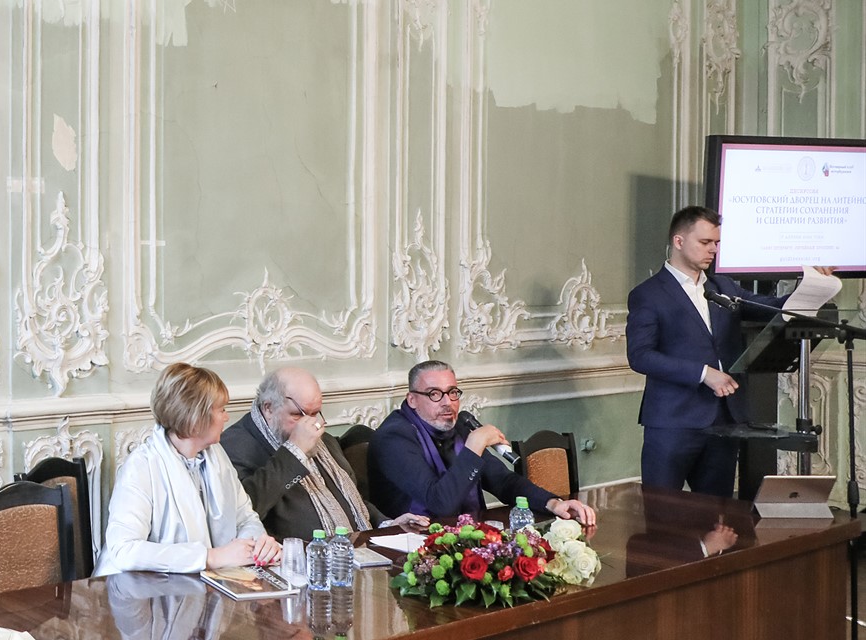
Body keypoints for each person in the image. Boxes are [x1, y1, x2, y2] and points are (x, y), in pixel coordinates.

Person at [625, 205, 789, 496]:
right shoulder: (648, 294)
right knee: (662, 511)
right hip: (672, 422)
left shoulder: (724, 286)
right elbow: (640, 356)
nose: (713, 249)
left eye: (716, 243)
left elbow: (770, 308)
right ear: (678, 241)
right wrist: (703, 373)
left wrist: (814, 288)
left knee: (717, 510)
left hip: (724, 420)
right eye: (705, 242)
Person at [96, 362, 280, 576]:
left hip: (200, 583)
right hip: (141, 589)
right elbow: (124, 550)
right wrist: (210, 557)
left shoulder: (216, 455)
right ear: (195, 419)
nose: (226, 417)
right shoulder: (141, 467)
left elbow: (246, 518)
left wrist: (256, 545)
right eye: (221, 410)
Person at [367, 360, 596, 526]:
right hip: (409, 548)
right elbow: (440, 504)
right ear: (412, 400)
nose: (447, 403)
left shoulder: (456, 427)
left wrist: (553, 503)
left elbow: (503, 482)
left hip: (461, 537)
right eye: (434, 394)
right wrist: (474, 446)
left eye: (452, 392)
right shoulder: (394, 438)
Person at [221, 366, 430, 540]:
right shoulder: (235, 446)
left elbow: (351, 500)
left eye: (315, 413)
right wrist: (294, 452)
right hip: (299, 562)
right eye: (298, 415)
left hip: (355, 551)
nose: (311, 424)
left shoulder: (323, 440)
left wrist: (388, 525)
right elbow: (245, 511)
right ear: (268, 408)